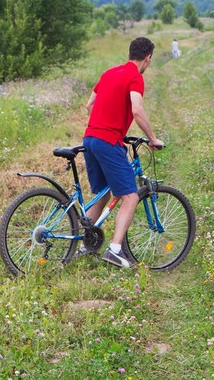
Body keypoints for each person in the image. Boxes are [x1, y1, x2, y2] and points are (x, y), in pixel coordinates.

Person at [83, 37, 165, 268]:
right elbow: (137, 110)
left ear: (130, 53)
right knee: (130, 196)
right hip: (107, 141)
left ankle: (84, 244)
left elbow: (90, 105)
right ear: (147, 57)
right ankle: (115, 250)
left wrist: (103, 124)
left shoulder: (109, 73)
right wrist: (152, 138)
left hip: (89, 139)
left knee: (102, 193)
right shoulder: (135, 77)